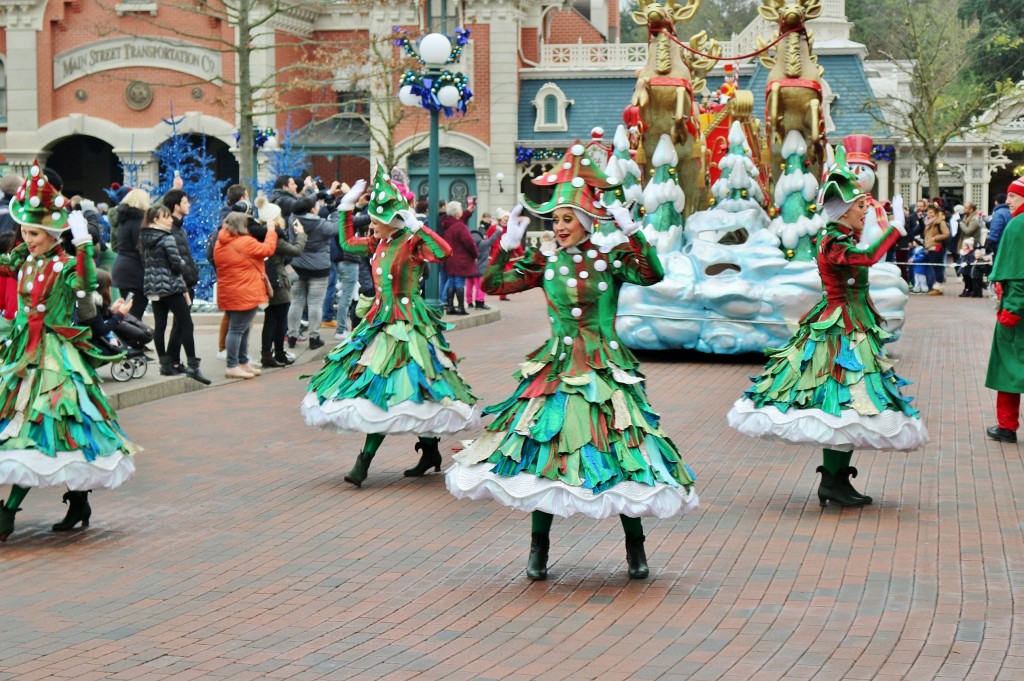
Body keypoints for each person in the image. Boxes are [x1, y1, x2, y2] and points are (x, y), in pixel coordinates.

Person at [446, 145, 698, 581]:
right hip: (558, 372)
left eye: (567, 219)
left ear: (584, 222)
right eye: (556, 220)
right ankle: (538, 549)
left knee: (621, 453)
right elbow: (493, 282)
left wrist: (631, 231)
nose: (559, 227)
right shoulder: (545, 262)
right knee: (546, 454)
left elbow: (653, 274)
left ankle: (635, 549)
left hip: (604, 371)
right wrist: (507, 245)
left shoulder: (610, 258)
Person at [727, 149, 928, 508]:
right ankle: (833, 482)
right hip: (837, 333)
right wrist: (894, 231)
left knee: (853, 404)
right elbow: (864, 259)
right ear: (843, 210)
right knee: (842, 402)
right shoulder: (833, 240)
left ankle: (836, 481)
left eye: (866, 207)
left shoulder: (842, 237)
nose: (865, 212)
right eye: (859, 207)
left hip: (853, 328)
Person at [301, 164, 480, 487]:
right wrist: (345, 207)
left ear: (392, 220)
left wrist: (416, 225)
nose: (370, 225)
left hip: (410, 327)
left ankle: (364, 462)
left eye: (375, 220)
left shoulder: (411, 243)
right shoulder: (376, 243)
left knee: (401, 389)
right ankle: (429, 452)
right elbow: (345, 242)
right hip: (379, 323)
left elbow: (444, 251)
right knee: (397, 391)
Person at [0, 163, 139, 541]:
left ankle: (9, 510)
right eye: (25, 233)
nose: (27, 240)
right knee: (32, 431)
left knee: (53, 426)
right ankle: (78, 502)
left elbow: (87, 284)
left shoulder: (64, 267)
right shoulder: (23, 262)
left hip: (55, 357)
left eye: (34, 234)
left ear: (51, 235)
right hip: (22, 353)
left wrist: (83, 247)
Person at [139, 204, 210, 384]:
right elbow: (176, 266)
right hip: (171, 286)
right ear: (156, 219)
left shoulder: (144, 238)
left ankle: (165, 364)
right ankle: (193, 366)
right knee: (186, 323)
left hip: (153, 287)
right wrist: (183, 262)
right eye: (166, 217)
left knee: (160, 325)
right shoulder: (167, 238)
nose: (171, 220)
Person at [214, 211, 278, 379]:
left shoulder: (220, 242)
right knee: (237, 329)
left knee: (240, 328)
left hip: (229, 291)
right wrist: (271, 231)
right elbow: (268, 249)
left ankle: (242, 362)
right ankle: (233, 365)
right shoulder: (245, 242)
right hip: (246, 291)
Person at [984, 177, 1024, 444]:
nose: (1007, 200)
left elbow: (1019, 276)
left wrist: (1011, 309)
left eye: (1013, 195)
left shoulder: (1018, 225)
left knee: (1008, 369)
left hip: (1016, 312)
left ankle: (1006, 426)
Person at [255, 197, 306, 367]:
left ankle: (271, 353)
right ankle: (275, 354)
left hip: (268, 280)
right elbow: (296, 250)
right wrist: (301, 234)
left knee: (272, 318)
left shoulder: (260, 234)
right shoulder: (275, 236)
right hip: (277, 281)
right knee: (278, 319)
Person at [286, 196, 337, 350]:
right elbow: (336, 227)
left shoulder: (292, 218)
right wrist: (333, 209)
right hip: (318, 268)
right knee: (315, 303)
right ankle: (314, 337)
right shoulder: (320, 224)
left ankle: (292, 335)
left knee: (296, 302)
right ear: (312, 209)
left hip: (297, 265)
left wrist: (317, 193)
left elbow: (303, 203)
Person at [161, 189, 203, 375]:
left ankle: (172, 362)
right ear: (176, 206)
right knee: (183, 324)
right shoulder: (171, 229)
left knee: (179, 324)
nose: (189, 205)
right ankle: (174, 362)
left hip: (186, 282)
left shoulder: (179, 227)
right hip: (180, 284)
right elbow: (176, 259)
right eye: (185, 202)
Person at [111, 188, 151, 319]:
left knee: (127, 311)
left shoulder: (123, 221)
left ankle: (125, 339)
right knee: (135, 313)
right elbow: (142, 249)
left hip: (122, 269)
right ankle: (131, 339)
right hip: (135, 272)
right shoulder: (139, 222)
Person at [440, 201, 478, 315]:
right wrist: (475, 254)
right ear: (457, 213)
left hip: (450, 258)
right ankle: (461, 307)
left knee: (451, 281)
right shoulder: (460, 226)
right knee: (459, 281)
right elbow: (469, 242)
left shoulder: (447, 224)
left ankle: (450, 306)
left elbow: (458, 221)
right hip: (460, 259)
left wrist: (468, 212)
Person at [468, 214, 502, 310]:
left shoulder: (469, 245)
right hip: (480, 270)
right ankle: (479, 302)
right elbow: (491, 240)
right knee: (480, 287)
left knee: (469, 287)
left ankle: (469, 302)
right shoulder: (482, 244)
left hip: (469, 270)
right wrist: (498, 231)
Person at [922, 204, 950, 295]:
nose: (929, 214)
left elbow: (946, 234)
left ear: (936, 213)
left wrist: (935, 238)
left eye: (931, 212)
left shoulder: (940, 222)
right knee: (933, 267)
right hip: (929, 247)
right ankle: (935, 285)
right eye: (928, 212)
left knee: (938, 268)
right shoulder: (927, 222)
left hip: (937, 247)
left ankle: (939, 287)